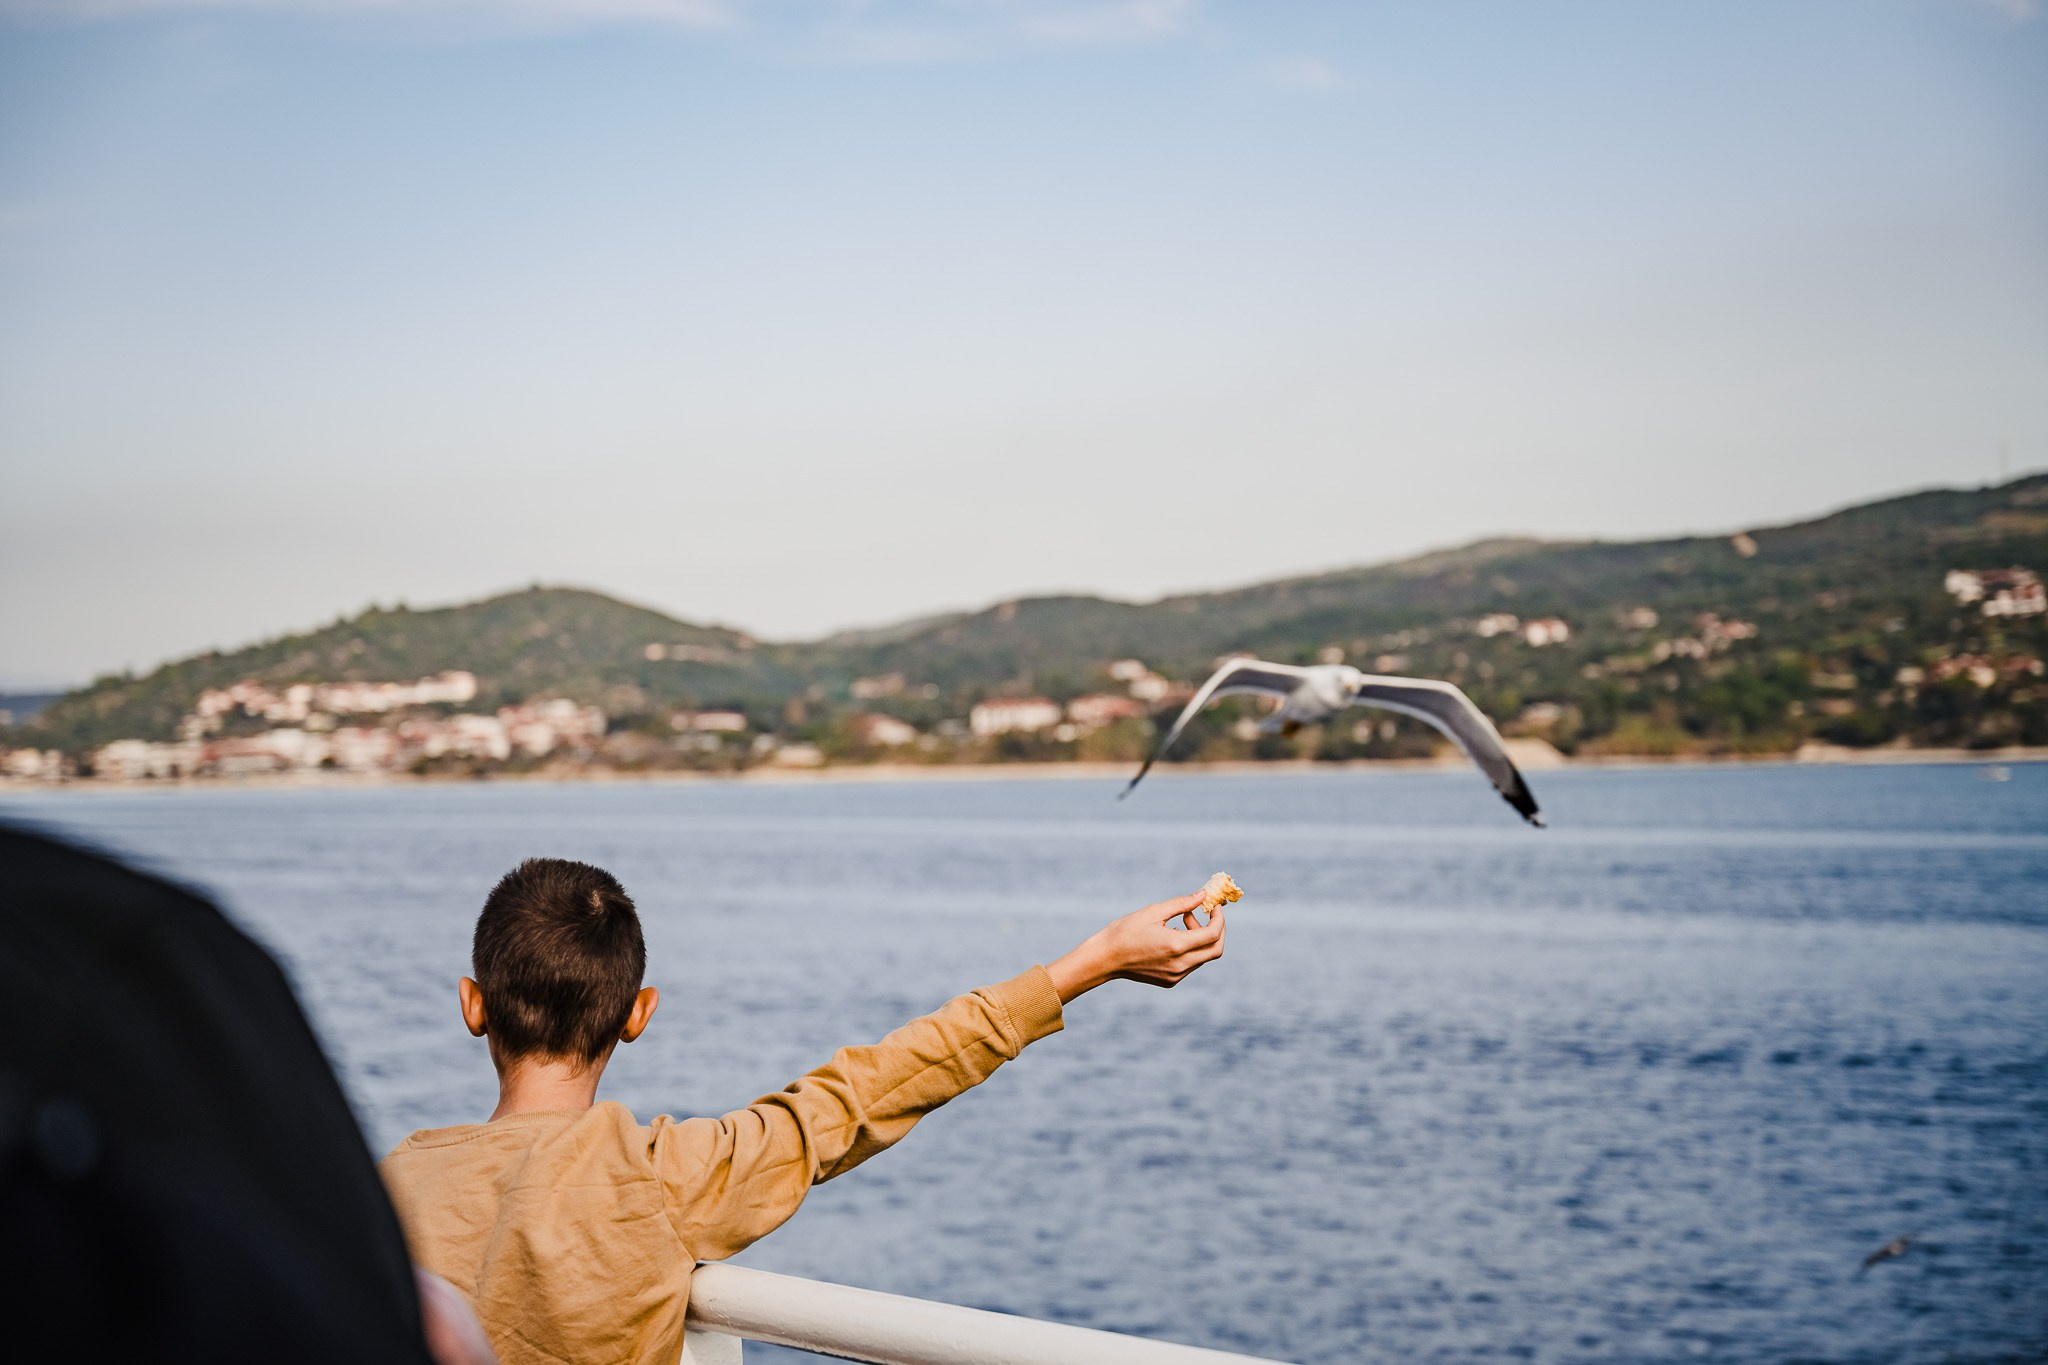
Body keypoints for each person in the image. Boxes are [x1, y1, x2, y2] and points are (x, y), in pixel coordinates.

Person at [379, 857, 1229, 1365]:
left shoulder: (385, 1186)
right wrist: (1092, 962)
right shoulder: (659, 1177)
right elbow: (863, 1092)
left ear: (472, 1003)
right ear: (639, 1012)